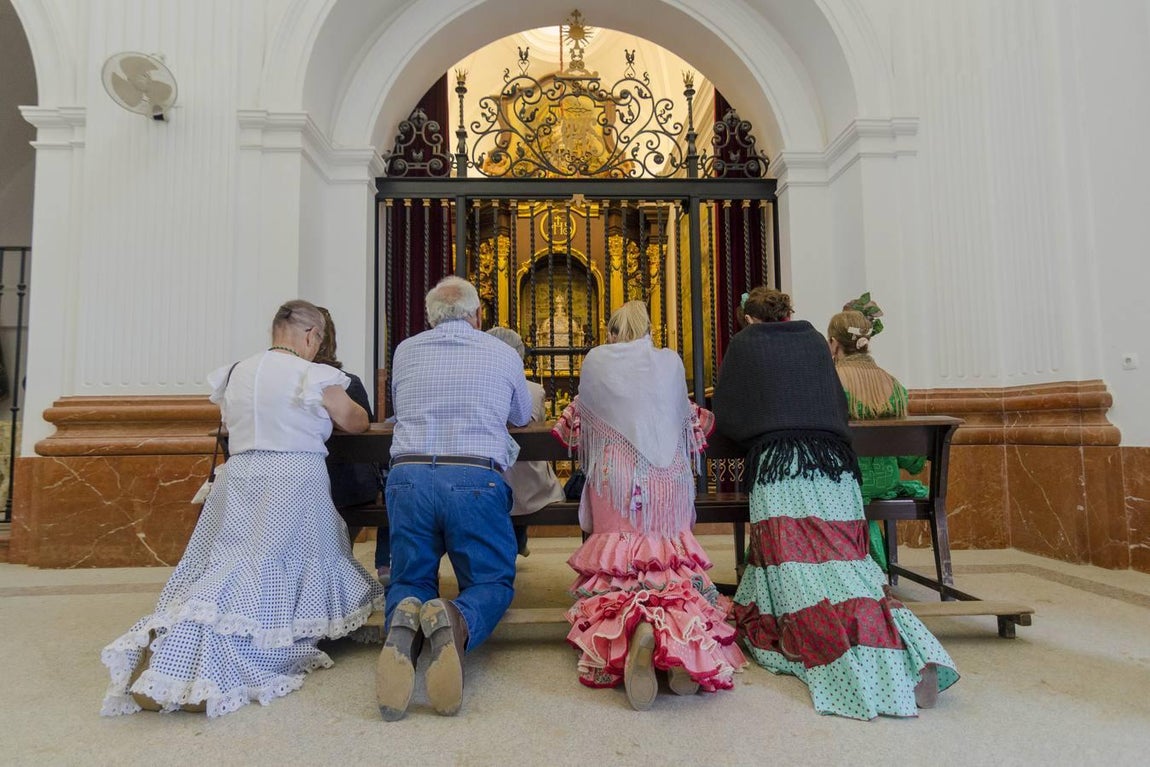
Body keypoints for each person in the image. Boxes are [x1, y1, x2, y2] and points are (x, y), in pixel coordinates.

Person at [100, 300, 386, 718]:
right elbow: (356, 422)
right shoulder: (314, 373)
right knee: (273, 570)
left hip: (241, 477)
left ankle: (172, 648)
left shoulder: (236, 372)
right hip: (292, 478)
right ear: (312, 336)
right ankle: (212, 665)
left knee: (231, 562)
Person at [712, 286, 957, 719]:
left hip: (782, 468)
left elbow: (729, 415)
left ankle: (850, 666)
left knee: (798, 578)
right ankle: (912, 649)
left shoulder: (745, 343)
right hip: (836, 468)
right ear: (787, 314)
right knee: (851, 569)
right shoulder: (812, 341)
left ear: (748, 318)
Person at [552, 301, 745, 711]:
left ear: (613, 331)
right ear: (648, 329)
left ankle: (633, 631)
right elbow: (691, 419)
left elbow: (573, 427)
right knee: (668, 563)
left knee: (621, 564)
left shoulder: (598, 362)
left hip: (617, 478)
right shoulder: (669, 363)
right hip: (668, 481)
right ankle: (679, 645)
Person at [376, 275, 532, 721]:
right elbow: (521, 414)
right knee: (491, 581)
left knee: (409, 578)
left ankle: (403, 627)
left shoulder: (406, 351)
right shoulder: (500, 352)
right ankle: (456, 618)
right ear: (477, 315)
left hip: (407, 476)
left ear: (429, 317)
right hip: (472, 476)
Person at [828, 295, 928, 572]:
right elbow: (910, 456)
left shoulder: (832, 381)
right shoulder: (893, 383)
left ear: (835, 344)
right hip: (885, 481)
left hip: (843, 481)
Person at [314, 307, 390, 583]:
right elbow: (365, 436)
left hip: (304, 485)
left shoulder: (281, 382)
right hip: (349, 489)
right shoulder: (348, 383)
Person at [487, 326, 565, 556]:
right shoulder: (534, 390)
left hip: (491, 474)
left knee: (508, 478)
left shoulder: (478, 385)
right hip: (529, 483)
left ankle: (511, 543)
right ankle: (519, 539)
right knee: (523, 476)